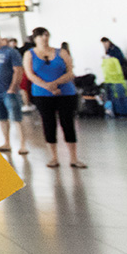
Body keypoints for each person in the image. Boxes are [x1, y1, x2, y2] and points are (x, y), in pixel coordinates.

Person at [23, 26, 85, 168]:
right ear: (35, 38)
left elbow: (70, 72)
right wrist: (47, 86)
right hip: (43, 94)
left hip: (65, 93)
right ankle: (53, 157)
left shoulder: (61, 52)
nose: (44, 38)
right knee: (48, 124)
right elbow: (30, 75)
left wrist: (55, 84)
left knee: (67, 123)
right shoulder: (30, 54)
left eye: (46, 35)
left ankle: (74, 158)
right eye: (40, 36)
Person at [0, 26, 28, 155]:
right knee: (2, 118)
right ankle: (6, 142)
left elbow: (18, 70)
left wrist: (12, 88)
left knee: (16, 118)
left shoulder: (10, 52)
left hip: (8, 91)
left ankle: (22, 144)